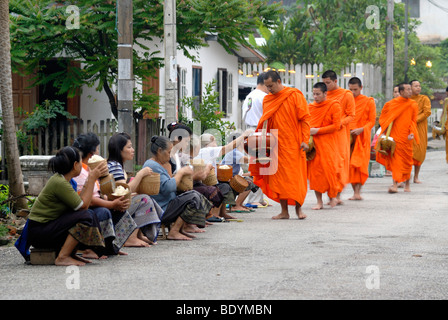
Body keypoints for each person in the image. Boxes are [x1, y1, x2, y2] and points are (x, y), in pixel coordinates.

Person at [27, 146, 108, 266]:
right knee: (86, 215)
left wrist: (90, 180)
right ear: (75, 165)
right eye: (81, 162)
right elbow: (84, 206)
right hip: (39, 232)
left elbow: (79, 203)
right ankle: (63, 257)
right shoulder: (59, 182)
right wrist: (91, 178)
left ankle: (71, 254)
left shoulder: (65, 180)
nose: (83, 165)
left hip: (45, 229)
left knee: (88, 214)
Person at [249, 70, 310, 220]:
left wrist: (305, 139)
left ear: (279, 82)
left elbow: (305, 119)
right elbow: (266, 121)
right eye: (267, 86)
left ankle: (298, 210)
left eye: (271, 86)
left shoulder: (295, 95)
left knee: (295, 178)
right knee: (279, 179)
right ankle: (284, 212)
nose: (269, 89)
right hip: (276, 144)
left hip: (294, 143)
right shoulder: (268, 100)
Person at [72, 133, 137, 256]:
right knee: (104, 212)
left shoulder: (90, 169)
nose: (99, 153)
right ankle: (92, 248)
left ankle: (112, 247)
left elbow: (98, 193)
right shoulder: (80, 172)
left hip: (95, 205)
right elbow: (89, 200)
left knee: (120, 210)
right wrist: (111, 204)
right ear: (91, 153)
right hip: (86, 209)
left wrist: (109, 200)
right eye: (97, 149)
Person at [143, 136, 213, 240]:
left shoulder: (158, 164)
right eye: (169, 152)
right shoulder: (152, 165)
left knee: (194, 194)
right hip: (161, 209)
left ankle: (181, 229)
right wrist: (181, 172)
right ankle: (174, 231)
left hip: (167, 204)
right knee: (193, 197)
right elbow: (168, 187)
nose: (170, 155)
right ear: (159, 151)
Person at [107, 132, 164, 246]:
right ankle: (130, 238)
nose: (132, 150)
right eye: (129, 147)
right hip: (113, 206)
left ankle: (138, 235)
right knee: (144, 200)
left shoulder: (116, 165)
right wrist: (141, 174)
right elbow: (124, 192)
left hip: (112, 203)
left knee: (142, 198)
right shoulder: (115, 166)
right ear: (119, 150)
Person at [196, 129, 253, 217]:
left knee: (225, 185)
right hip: (204, 183)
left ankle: (223, 213)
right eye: (214, 141)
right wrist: (244, 135)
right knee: (224, 187)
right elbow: (228, 147)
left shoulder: (204, 152)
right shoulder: (208, 150)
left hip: (208, 181)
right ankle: (214, 214)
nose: (216, 144)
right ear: (208, 144)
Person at [376, 83, 419, 193]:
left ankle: (407, 184)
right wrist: (385, 131)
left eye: (410, 89)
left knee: (408, 161)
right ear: (401, 92)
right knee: (396, 162)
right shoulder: (391, 104)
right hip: (395, 137)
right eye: (408, 89)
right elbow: (383, 118)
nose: (410, 91)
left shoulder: (413, 104)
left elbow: (413, 121)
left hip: (407, 138)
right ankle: (395, 184)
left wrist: (412, 133)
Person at [307, 82, 343, 209]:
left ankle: (332, 197)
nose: (315, 97)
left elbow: (336, 126)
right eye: (314, 94)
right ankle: (319, 201)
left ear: (325, 93)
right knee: (315, 174)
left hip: (328, 144)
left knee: (329, 171)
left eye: (318, 94)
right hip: (314, 145)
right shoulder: (310, 107)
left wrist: (318, 130)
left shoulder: (334, 105)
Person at [322, 70, 355, 204]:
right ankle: (331, 195)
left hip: (340, 134)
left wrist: (339, 123)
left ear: (335, 81)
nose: (326, 85)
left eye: (328, 83)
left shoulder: (346, 95)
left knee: (339, 163)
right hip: (326, 133)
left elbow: (351, 115)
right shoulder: (323, 94)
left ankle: (337, 195)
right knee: (327, 164)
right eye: (324, 83)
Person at [241, 73, 269, 207]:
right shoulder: (264, 97)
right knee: (259, 167)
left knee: (256, 165)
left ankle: (258, 197)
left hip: (249, 131)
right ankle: (254, 199)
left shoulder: (250, 95)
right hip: (259, 131)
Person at [347, 77, 376, 200]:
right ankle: (355, 192)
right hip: (348, 136)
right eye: (350, 89)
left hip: (362, 137)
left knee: (359, 164)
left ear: (361, 88)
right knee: (350, 165)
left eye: (355, 89)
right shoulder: (347, 101)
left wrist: (362, 129)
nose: (353, 92)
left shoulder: (368, 101)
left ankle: (357, 192)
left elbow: (372, 121)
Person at [220, 132, 260, 213]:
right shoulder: (234, 151)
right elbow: (247, 160)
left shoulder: (236, 151)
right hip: (226, 179)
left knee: (252, 178)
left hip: (232, 177)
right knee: (249, 181)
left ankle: (239, 204)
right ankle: (236, 205)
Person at [409, 80, 431, 184]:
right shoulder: (407, 99)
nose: (418, 88)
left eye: (419, 86)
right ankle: (407, 176)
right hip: (408, 128)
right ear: (410, 88)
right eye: (415, 86)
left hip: (420, 128)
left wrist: (415, 120)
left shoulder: (424, 99)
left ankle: (416, 177)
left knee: (420, 151)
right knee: (408, 152)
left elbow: (427, 112)